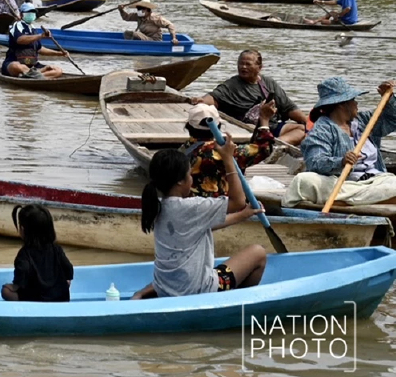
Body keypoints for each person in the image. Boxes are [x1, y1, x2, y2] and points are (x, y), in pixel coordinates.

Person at [131, 148, 267, 300]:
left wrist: (243, 215)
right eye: (189, 174)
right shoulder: (192, 207)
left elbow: (206, 225)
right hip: (199, 291)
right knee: (258, 252)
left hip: (166, 288)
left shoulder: (158, 206)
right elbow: (238, 201)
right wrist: (228, 159)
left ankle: (143, 293)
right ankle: (237, 302)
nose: (191, 179)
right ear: (180, 181)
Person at [193, 50, 308, 145]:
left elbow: (289, 108)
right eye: (241, 64)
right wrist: (202, 101)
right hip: (250, 129)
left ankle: (275, 145)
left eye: (248, 64)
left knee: (302, 130)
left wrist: (309, 123)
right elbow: (214, 98)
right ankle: (268, 146)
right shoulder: (232, 85)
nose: (243, 67)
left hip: (272, 126)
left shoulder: (268, 83)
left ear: (259, 67)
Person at [301, 77, 396, 182]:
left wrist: (389, 98)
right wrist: (341, 161)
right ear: (342, 104)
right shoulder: (322, 130)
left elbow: (392, 120)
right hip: (346, 182)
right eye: (353, 100)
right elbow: (315, 162)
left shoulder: (363, 121)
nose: (356, 104)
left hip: (377, 177)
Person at [181, 104, 275, 198]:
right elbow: (264, 148)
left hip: (190, 201)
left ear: (188, 126)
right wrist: (264, 120)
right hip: (218, 205)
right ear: (219, 126)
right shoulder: (221, 153)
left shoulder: (184, 148)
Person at [0, 205, 73, 302]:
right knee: (63, 284)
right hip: (59, 297)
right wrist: (65, 282)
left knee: (5, 291)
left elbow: (22, 273)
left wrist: (14, 286)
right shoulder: (57, 249)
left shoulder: (24, 254)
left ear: (22, 230)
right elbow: (68, 268)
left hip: (35, 299)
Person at [1, 2, 66, 79]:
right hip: (15, 62)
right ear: (21, 15)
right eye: (29, 13)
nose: (31, 14)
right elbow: (20, 40)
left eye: (33, 12)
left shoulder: (33, 28)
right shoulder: (17, 25)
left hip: (33, 65)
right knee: (17, 67)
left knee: (58, 70)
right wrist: (40, 36)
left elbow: (39, 49)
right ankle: (35, 75)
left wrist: (59, 53)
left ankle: (33, 76)